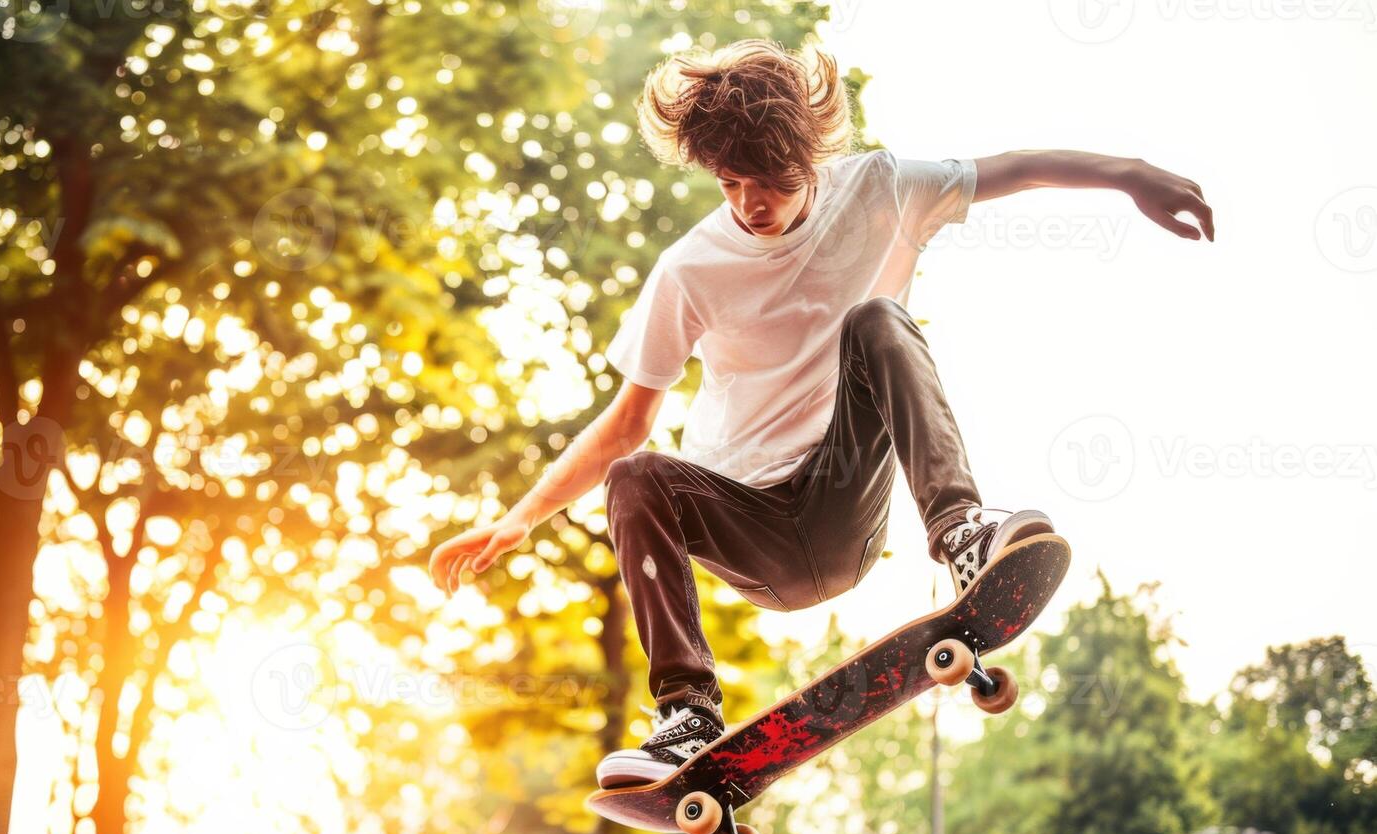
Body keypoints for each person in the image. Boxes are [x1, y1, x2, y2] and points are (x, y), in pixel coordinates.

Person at [429, 38, 1213, 789]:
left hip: (843, 502)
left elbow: (1013, 169)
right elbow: (627, 423)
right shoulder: (689, 270)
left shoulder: (880, 189)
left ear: (808, 157)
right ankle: (687, 717)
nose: (749, 204)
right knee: (636, 475)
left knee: (877, 321)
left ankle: (963, 537)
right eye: (730, 183)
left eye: (766, 181)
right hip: (746, 527)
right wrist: (519, 518)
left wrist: (1131, 174)